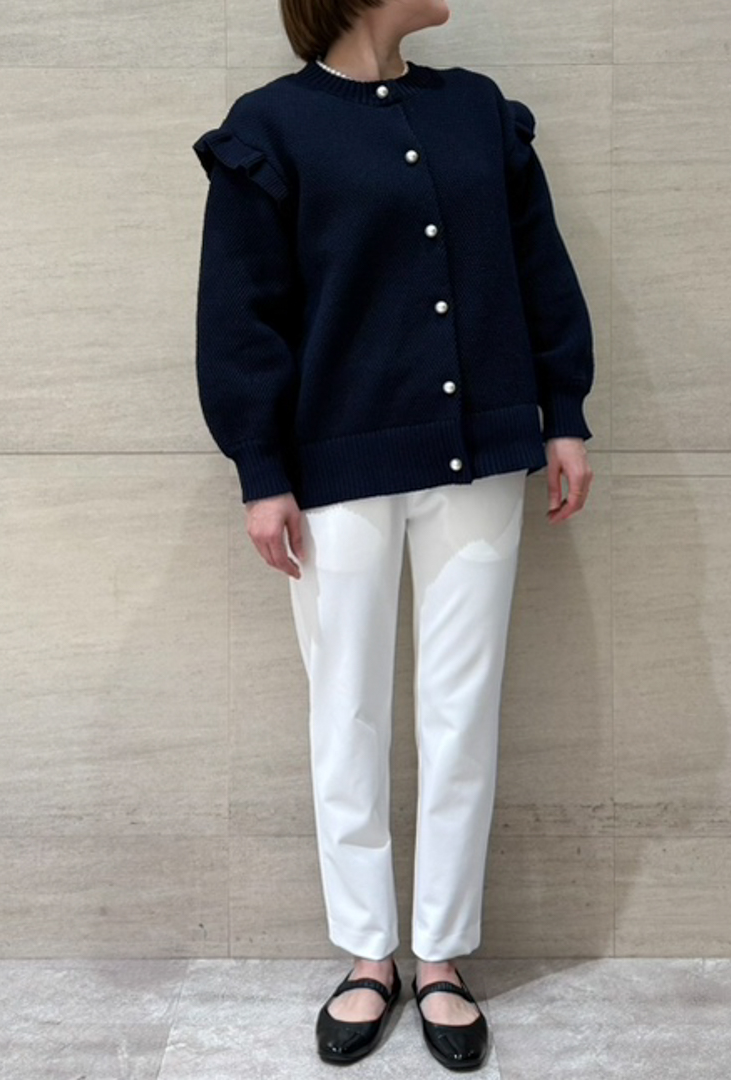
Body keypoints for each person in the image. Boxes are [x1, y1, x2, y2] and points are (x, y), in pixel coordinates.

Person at [192, 0, 595, 1068]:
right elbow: (240, 311)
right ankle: (369, 954)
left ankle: (442, 957)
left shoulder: (477, 113)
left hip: (482, 454)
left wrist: (563, 411)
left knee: (463, 710)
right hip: (334, 468)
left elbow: (539, 268)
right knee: (348, 709)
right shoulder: (272, 127)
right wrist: (261, 470)